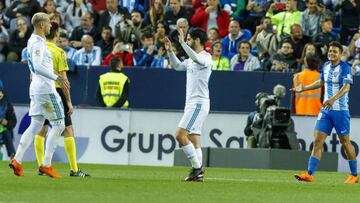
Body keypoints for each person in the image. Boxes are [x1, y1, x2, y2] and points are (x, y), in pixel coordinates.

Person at [9, 12, 70, 178]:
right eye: (49, 22)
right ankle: (46, 164)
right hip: (46, 89)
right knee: (59, 125)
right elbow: (36, 66)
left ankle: (17, 159)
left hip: (36, 88)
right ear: (42, 25)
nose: (51, 25)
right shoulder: (38, 43)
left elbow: (37, 66)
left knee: (35, 125)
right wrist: (57, 77)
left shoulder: (34, 41)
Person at [293, 41, 358, 184]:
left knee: (345, 142)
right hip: (326, 110)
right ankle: (309, 174)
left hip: (340, 111)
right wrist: (303, 88)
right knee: (317, 141)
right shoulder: (326, 66)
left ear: (340, 54)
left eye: (335, 51)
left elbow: (346, 87)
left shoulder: (345, 68)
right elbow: (321, 82)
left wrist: (333, 99)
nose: (331, 53)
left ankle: (354, 175)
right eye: (330, 51)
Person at [33, 21, 90, 177]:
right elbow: (64, 80)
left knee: (42, 129)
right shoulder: (59, 52)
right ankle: (74, 169)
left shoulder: (37, 49)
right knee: (68, 129)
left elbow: (32, 74)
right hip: (55, 92)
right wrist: (69, 101)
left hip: (38, 92)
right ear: (56, 34)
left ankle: (41, 167)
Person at [164, 27, 211, 181]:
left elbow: (197, 59)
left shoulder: (205, 57)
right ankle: (198, 173)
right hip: (192, 104)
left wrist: (183, 44)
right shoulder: (191, 59)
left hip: (198, 104)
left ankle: (197, 169)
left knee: (180, 135)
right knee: (193, 138)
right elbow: (177, 66)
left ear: (197, 40)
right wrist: (170, 51)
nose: (188, 41)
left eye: (190, 39)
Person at [0, 80, 17, 159]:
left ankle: (12, 156)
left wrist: (6, 123)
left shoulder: (7, 104)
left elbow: (13, 121)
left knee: (7, 133)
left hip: (3, 130)